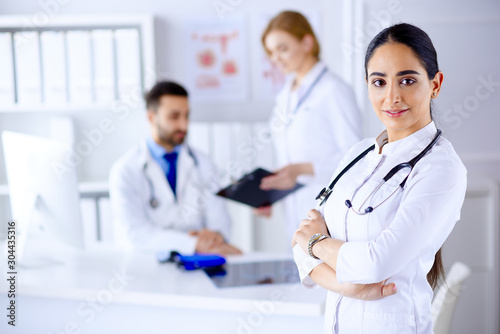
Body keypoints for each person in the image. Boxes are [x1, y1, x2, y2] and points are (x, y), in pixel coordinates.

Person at [292, 23, 467, 333]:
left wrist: (316, 244)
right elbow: (297, 244)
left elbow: (375, 262)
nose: (392, 97)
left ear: (435, 84)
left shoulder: (442, 169)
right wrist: (349, 287)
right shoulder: (357, 155)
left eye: (408, 80)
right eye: (379, 82)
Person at [258, 11, 362, 242]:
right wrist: (270, 193)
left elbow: (355, 157)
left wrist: (301, 170)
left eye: (282, 49)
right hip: (294, 213)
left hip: (329, 213)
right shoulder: (285, 95)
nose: (276, 59)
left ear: (306, 42)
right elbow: (289, 154)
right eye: (271, 53)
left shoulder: (334, 90)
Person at [109, 81, 241, 255]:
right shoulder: (126, 171)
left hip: (199, 264)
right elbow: (135, 234)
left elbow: (220, 219)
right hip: (148, 266)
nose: (184, 125)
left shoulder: (203, 164)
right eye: (174, 117)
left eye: (186, 116)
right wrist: (192, 243)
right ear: (151, 117)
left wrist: (215, 236)